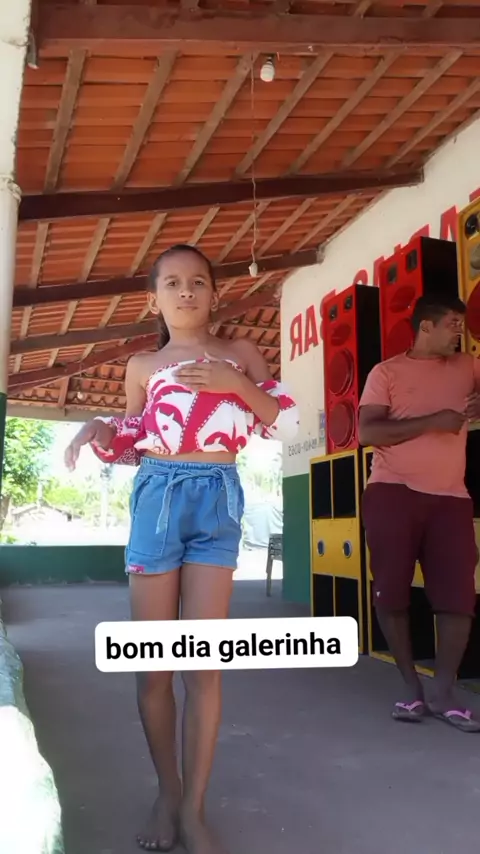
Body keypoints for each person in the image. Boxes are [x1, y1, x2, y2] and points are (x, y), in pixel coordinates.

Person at [64, 244, 299, 853]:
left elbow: (287, 423)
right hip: (157, 497)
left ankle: (194, 808)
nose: (186, 290)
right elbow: (133, 436)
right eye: (172, 282)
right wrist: (99, 430)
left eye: (198, 281)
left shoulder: (241, 353)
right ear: (155, 298)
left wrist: (234, 382)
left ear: (215, 294)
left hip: (218, 495)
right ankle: (167, 792)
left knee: (203, 663)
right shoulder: (142, 364)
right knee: (153, 664)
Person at [358, 293, 480, 733]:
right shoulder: (386, 372)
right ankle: (411, 688)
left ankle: (444, 692)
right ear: (425, 327)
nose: (459, 334)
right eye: (452, 325)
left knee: (459, 597)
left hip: (452, 497)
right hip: (392, 491)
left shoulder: (468, 366)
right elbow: (367, 431)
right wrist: (432, 421)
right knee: (390, 592)